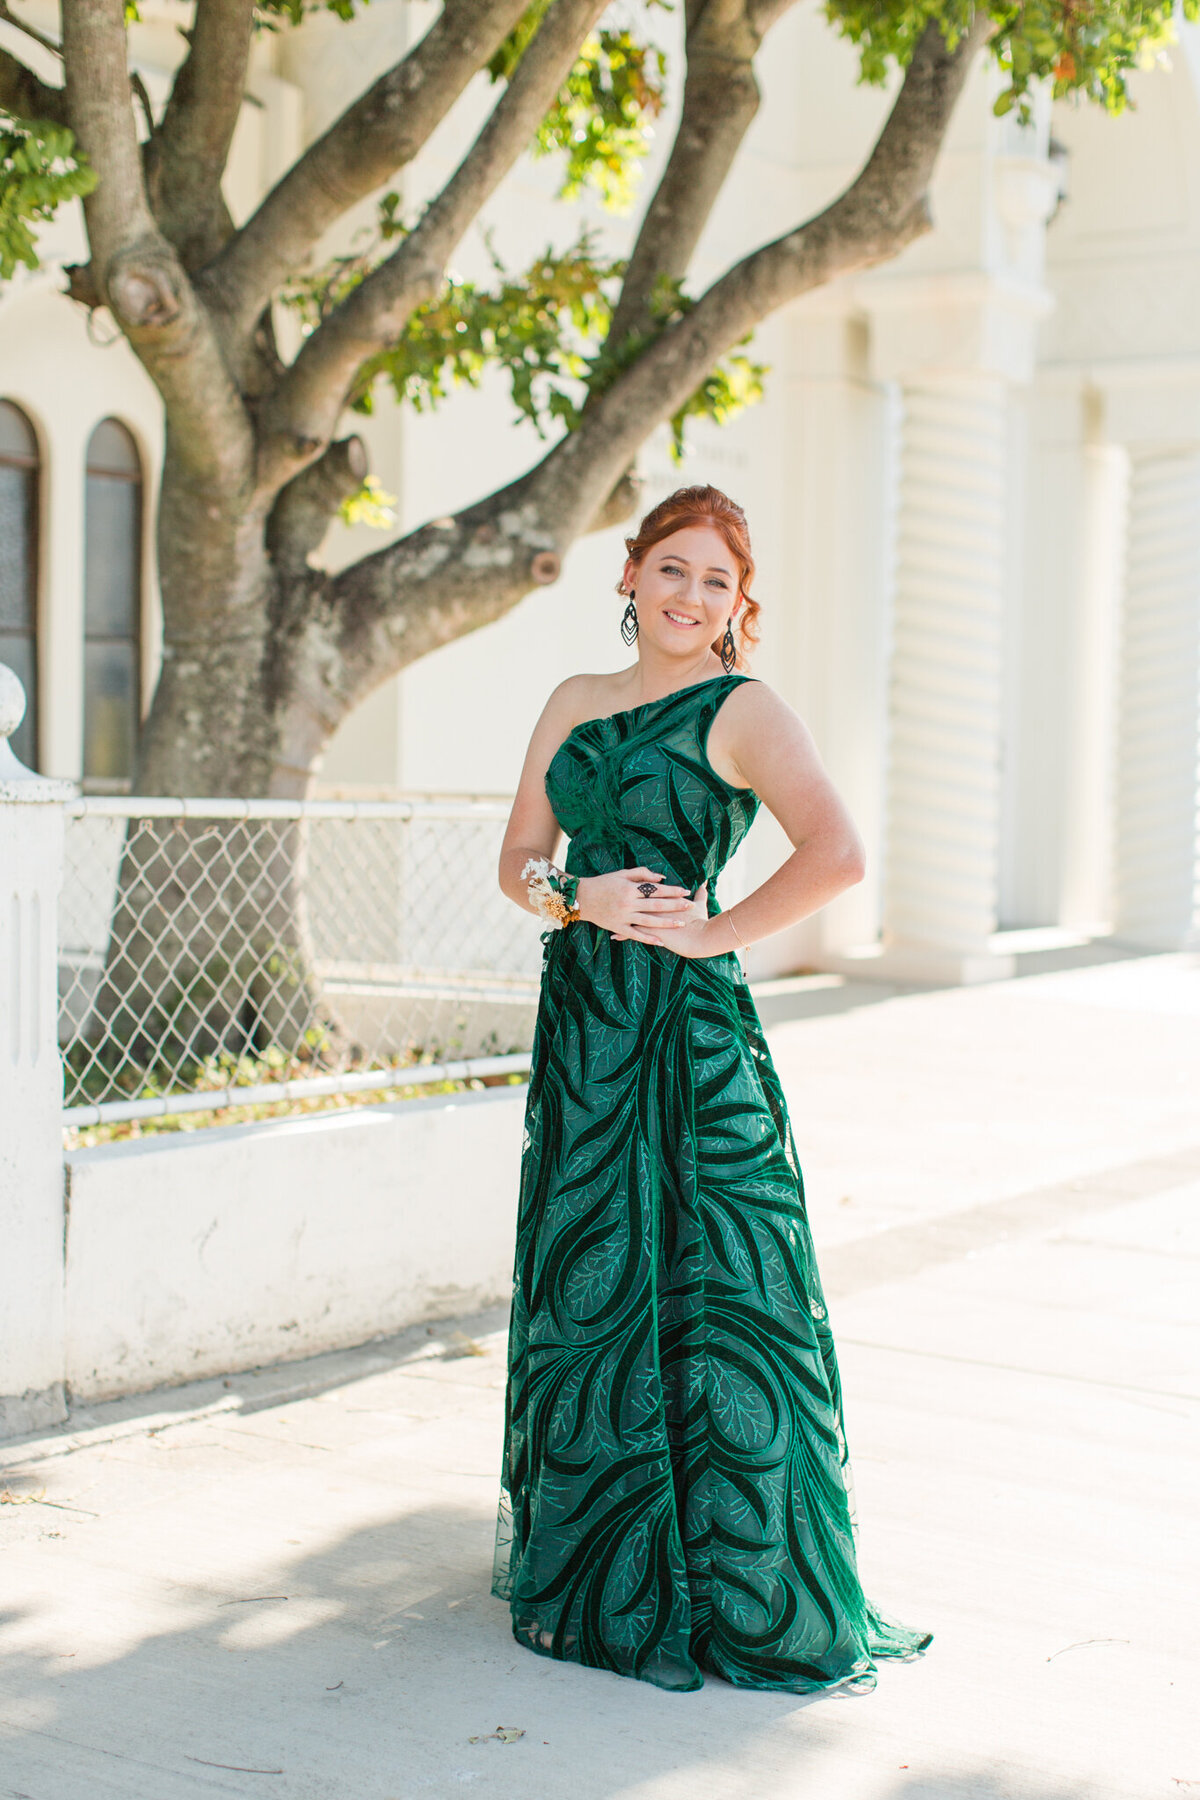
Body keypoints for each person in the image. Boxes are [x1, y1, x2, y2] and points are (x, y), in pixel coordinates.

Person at [491, 483, 929, 1694]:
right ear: (628, 577)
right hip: (583, 1028)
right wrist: (578, 899)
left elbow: (838, 853)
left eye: (716, 581)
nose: (691, 595)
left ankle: (737, 1581)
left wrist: (710, 930)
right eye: (671, 568)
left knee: (718, 1279)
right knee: (594, 1264)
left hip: (687, 1033)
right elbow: (518, 856)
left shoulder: (743, 709)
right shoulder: (574, 704)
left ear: (742, 606)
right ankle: (600, 1568)